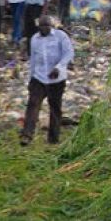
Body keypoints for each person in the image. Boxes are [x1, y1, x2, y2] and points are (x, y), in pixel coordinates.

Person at [20, 15, 73, 146]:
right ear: (39, 27)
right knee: (33, 104)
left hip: (56, 79)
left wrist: (58, 68)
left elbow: (69, 53)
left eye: (47, 26)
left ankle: (53, 139)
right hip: (39, 77)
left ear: (51, 26)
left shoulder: (61, 36)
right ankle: (27, 134)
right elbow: (33, 59)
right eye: (42, 27)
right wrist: (31, 77)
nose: (45, 29)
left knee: (55, 108)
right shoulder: (35, 39)